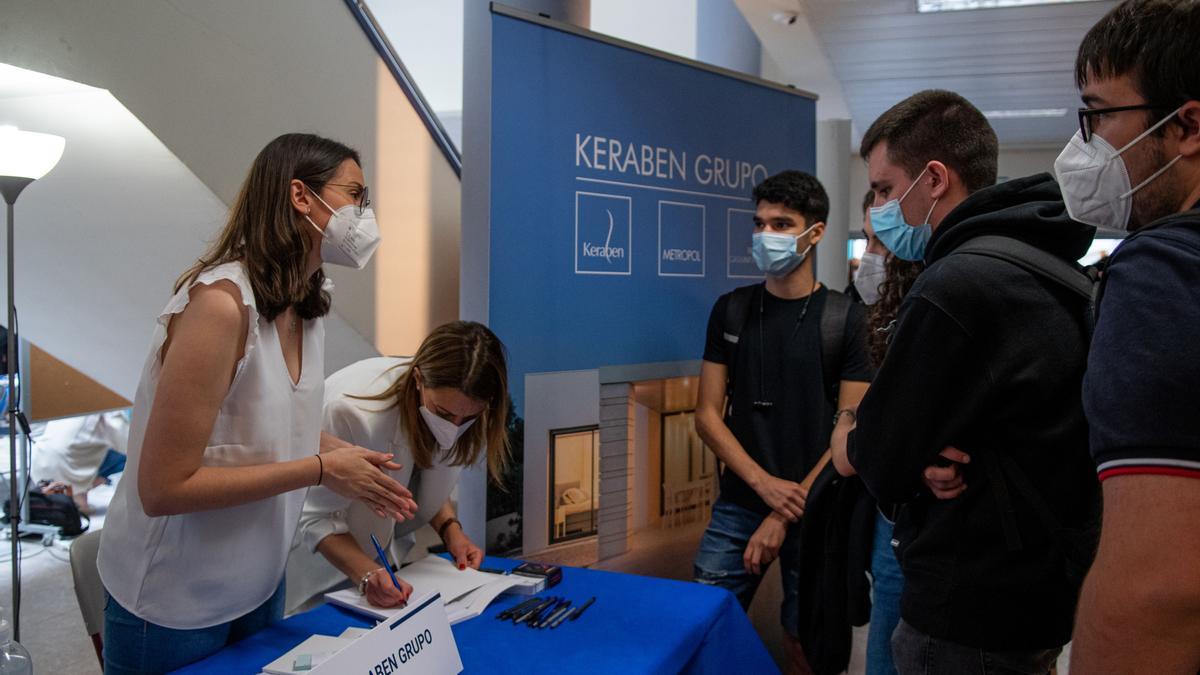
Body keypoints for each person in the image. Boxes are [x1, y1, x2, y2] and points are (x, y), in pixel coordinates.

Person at [96, 133, 417, 674]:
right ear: (300, 197)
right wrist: (319, 469)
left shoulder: (310, 302)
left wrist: (345, 459)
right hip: (174, 600)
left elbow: (267, 428)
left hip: (262, 584)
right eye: (355, 194)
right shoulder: (220, 307)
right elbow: (163, 487)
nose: (366, 214)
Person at [829, 90, 1099, 674]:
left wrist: (853, 423)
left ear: (933, 179)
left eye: (882, 187)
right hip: (1039, 592)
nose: (876, 208)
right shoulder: (1044, 262)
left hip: (966, 608)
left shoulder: (955, 285)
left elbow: (877, 456)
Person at [1062, 2, 1200, 672]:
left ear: (1188, 125)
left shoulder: (1164, 271)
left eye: (1097, 114)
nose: (1083, 144)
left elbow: (1156, 592)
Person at [693, 170, 872, 673]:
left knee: (805, 644)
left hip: (814, 511)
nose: (766, 235)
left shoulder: (843, 319)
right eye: (760, 223)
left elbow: (849, 430)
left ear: (814, 233)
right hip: (740, 503)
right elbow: (707, 415)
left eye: (781, 223)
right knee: (702, 626)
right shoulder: (732, 310)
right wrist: (763, 486)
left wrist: (783, 509)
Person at [286, 321, 510, 613]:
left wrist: (451, 530)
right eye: (444, 413)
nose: (453, 427)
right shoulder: (353, 413)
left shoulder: (460, 407)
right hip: (320, 572)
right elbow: (314, 518)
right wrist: (367, 574)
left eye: (466, 418)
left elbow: (420, 474)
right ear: (418, 380)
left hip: (386, 565)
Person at [853, 191, 923, 675]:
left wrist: (849, 429)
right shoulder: (879, 319)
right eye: (865, 241)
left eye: (882, 244)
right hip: (890, 515)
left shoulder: (931, 311)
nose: (870, 257)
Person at [31, 410, 129, 513]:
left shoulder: (71, 402)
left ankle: (75, 497)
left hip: (40, 461)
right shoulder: (108, 407)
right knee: (128, 457)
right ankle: (78, 497)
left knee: (87, 450)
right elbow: (127, 442)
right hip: (68, 465)